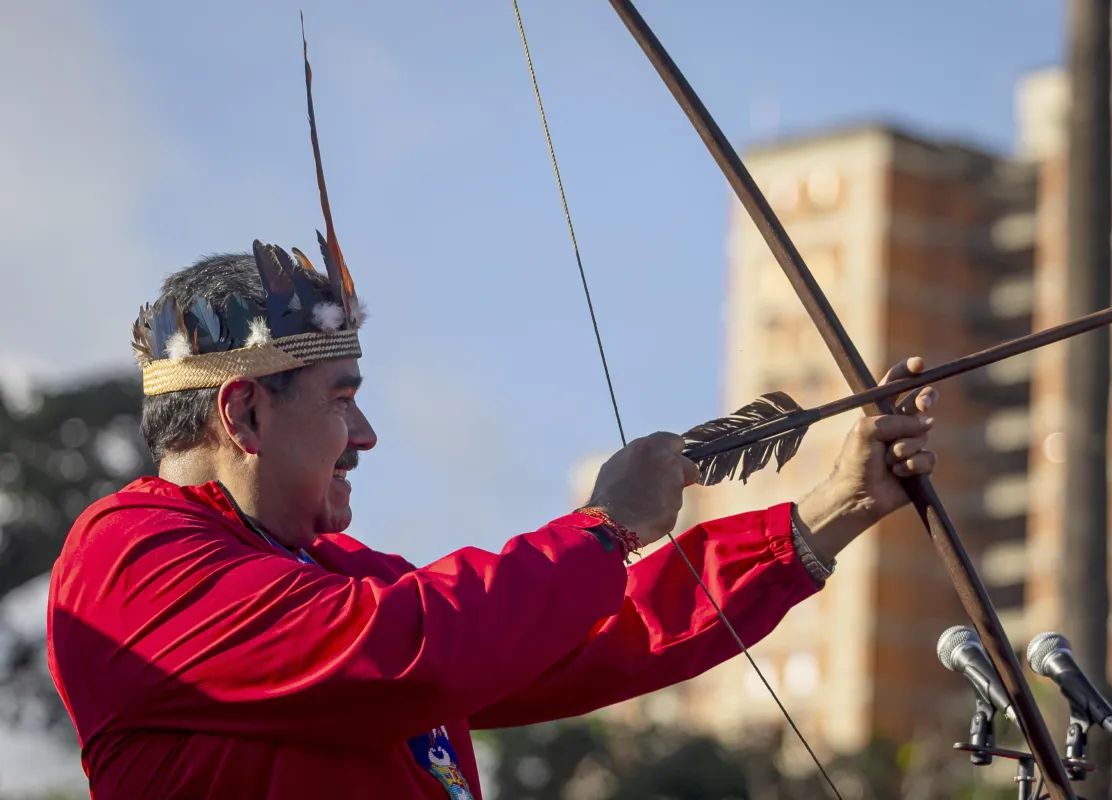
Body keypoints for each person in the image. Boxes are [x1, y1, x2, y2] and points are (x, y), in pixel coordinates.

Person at [45, 39, 940, 800]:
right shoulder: (130, 558)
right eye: (341, 399)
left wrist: (836, 507)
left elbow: (591, 634)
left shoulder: (340, 575)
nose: (365, 438)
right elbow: (415, 647)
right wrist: (605, 528)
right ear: (243, 412)